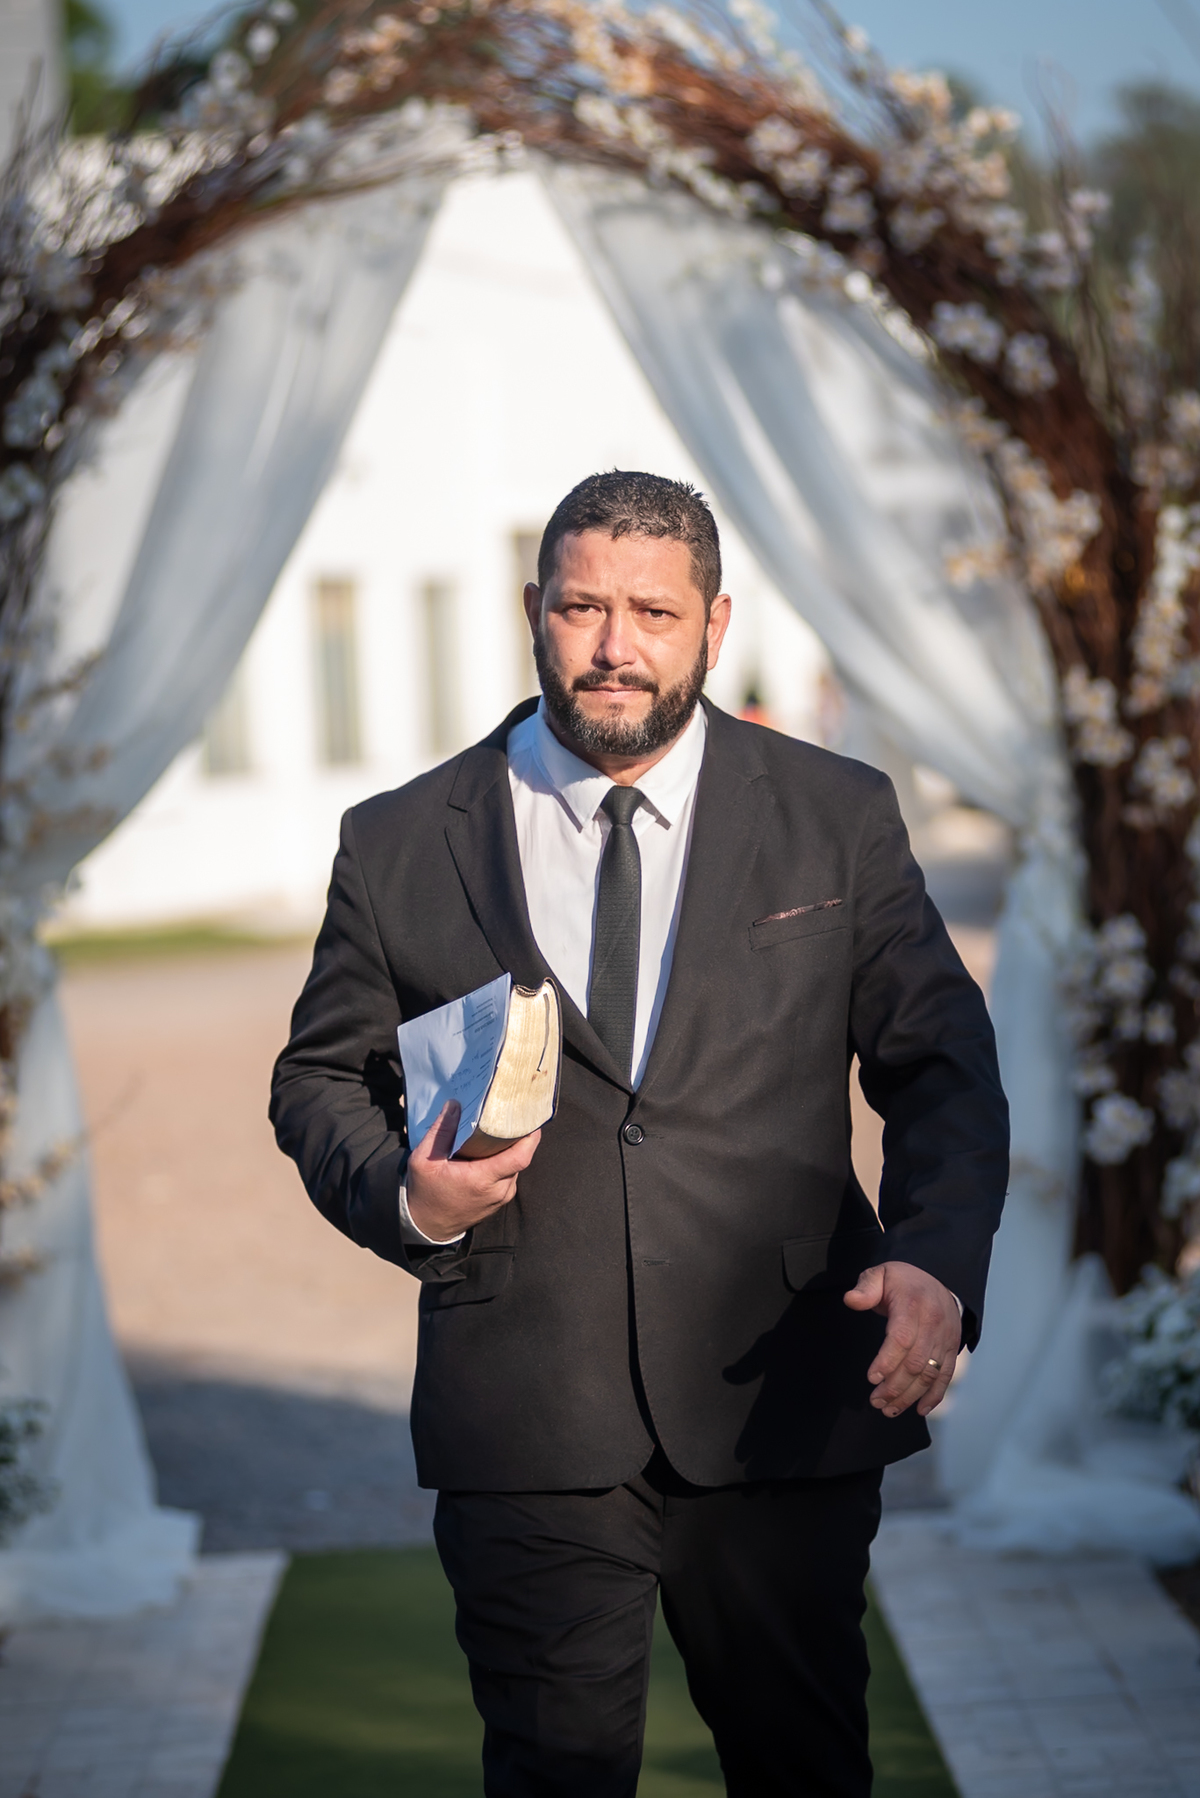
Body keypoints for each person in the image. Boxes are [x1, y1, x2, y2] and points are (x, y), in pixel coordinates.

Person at [271, 470, 1008, 1798]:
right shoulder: (398, 841)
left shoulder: (836, 814)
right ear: (533, 612)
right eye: (583, 607)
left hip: (779, 1392)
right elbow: (319, 1076)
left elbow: (942, 1064)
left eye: (654, 613)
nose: (616, 646)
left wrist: (936, 1256)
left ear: (714, 624)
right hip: (523, 1400)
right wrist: (411, 1199)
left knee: (804, 1769)